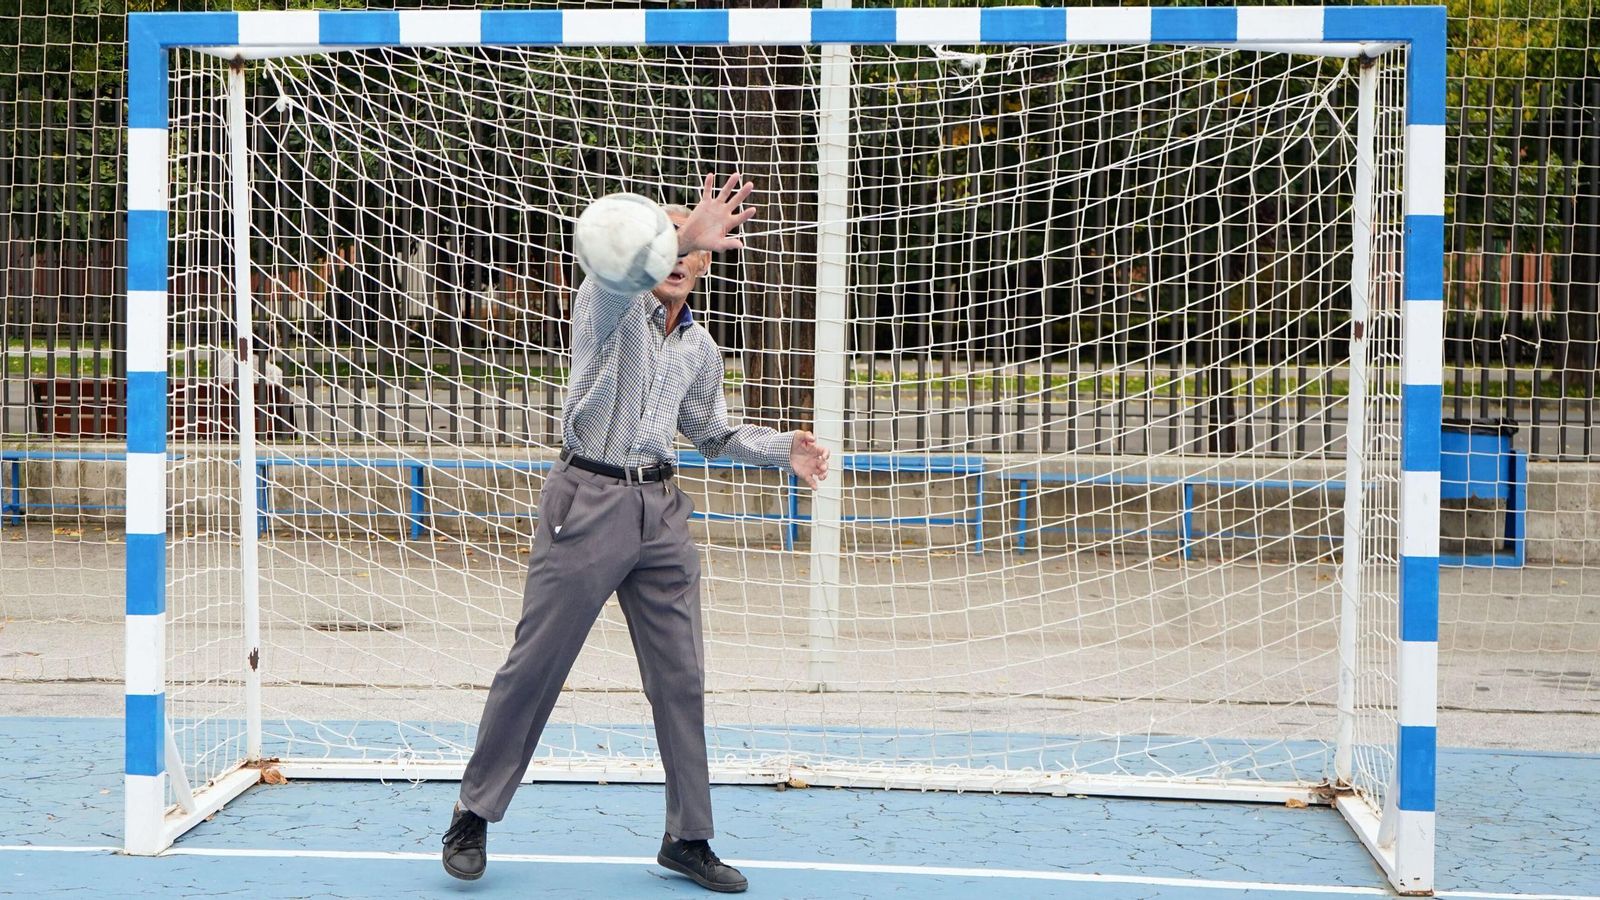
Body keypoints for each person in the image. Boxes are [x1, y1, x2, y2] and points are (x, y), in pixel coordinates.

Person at [441, 173, 830, 894]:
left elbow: (712, 433)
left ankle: (688, 837)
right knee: (535, 667)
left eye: (692, 248)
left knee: (682, 679)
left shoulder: (700, 348)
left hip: (662, 513)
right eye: (670, 242)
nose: (679, 257)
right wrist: (677, 237)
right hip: (586, 502)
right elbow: (621, 270)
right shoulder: (607, 302)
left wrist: (785, 450)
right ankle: (474, 811)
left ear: (707, 265)